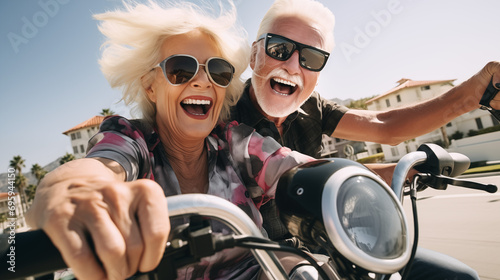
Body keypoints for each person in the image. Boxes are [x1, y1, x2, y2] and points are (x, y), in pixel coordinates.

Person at [26, 1, 327, 280]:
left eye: (218, 71)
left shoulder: (236, 142)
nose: (202, 81)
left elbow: (298, 169)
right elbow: (101, 165)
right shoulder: (134, 140)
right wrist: (74, 190)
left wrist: (343, 185)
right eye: (180, 69)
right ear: (150, 87)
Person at [230, 0, 500, 279]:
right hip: (266, 263)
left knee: (458, 276)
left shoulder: (314, 107)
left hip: (331, 243)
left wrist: (473, 94)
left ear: (318, 76)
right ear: (254, 56)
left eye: (311, 58)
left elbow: (383, 126)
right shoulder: (223, 114)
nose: (292, 65)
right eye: (279, 48)